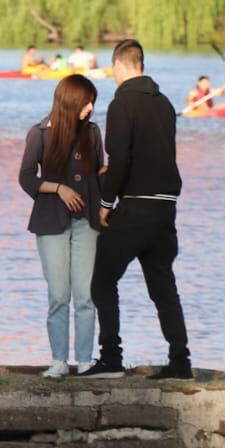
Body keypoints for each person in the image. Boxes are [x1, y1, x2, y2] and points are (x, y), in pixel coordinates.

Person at [79, 39, 193, 381]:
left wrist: (104, 203)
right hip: (166, 209)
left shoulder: (121, 103)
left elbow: (121, 158)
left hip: (136, 207)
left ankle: (111, 358)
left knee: (102, 281)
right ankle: (180, 361)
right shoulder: (165, 104)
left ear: (119, 66)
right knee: (163, 287)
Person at [19, 74, 104, 378]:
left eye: (93, 101)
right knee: (59, 294)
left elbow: (97, 175)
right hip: (51, 221)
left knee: (86, 294)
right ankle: (58, 360)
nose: (90, 108)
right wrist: (58, 188)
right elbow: (26, 177)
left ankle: (85, 360)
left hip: (87, 223)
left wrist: (107, 199)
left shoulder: (93, 133)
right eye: (85, 102)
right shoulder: (40, 133)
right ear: (69, 101)